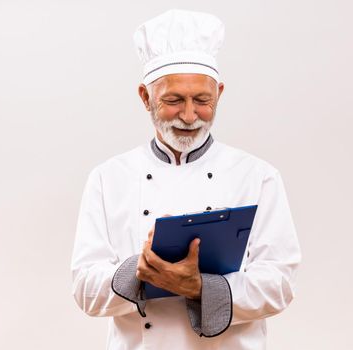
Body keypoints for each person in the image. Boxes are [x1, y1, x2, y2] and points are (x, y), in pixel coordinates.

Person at [71, 9, 301, 349]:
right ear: (145, 97)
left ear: (219, 93)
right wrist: (142, 271)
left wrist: (198, 287)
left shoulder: (258, 176)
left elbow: (279, 283)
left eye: (203, 100)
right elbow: (85, 290)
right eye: (174, 100)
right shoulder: (108, 178)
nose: (190, 115)